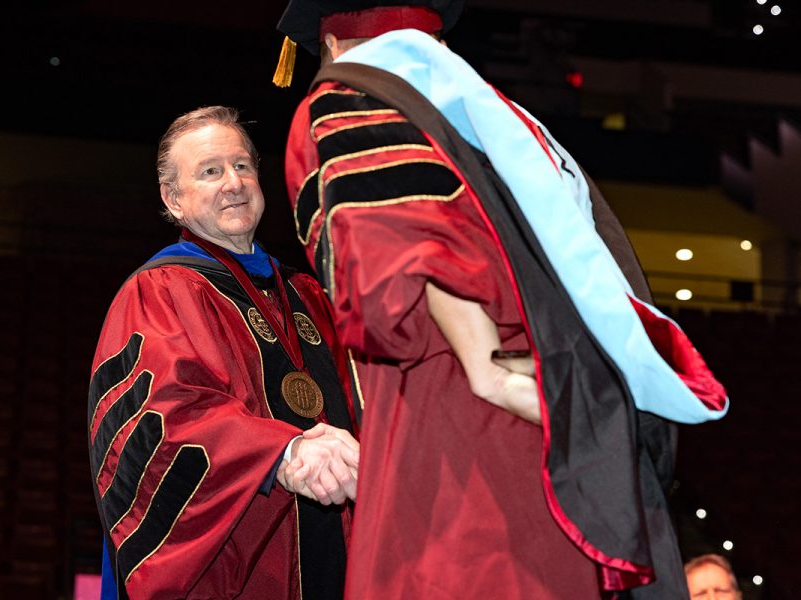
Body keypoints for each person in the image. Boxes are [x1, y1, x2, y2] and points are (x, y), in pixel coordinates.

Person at [277, 1, 730, 598]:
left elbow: (405, 252)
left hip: (461, 432)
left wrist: (486, 365)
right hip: (564, 432)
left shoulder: (346, 98)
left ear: (332, 46)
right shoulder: (503, 121)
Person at [88, 105, 360, 600]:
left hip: (340, 557)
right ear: (173, 199)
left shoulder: (309, 295)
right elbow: (163, 422)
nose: (233, 183)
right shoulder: (160, 292)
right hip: (241, 565)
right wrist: (283, 450)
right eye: (210, 172)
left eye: (242, 166)